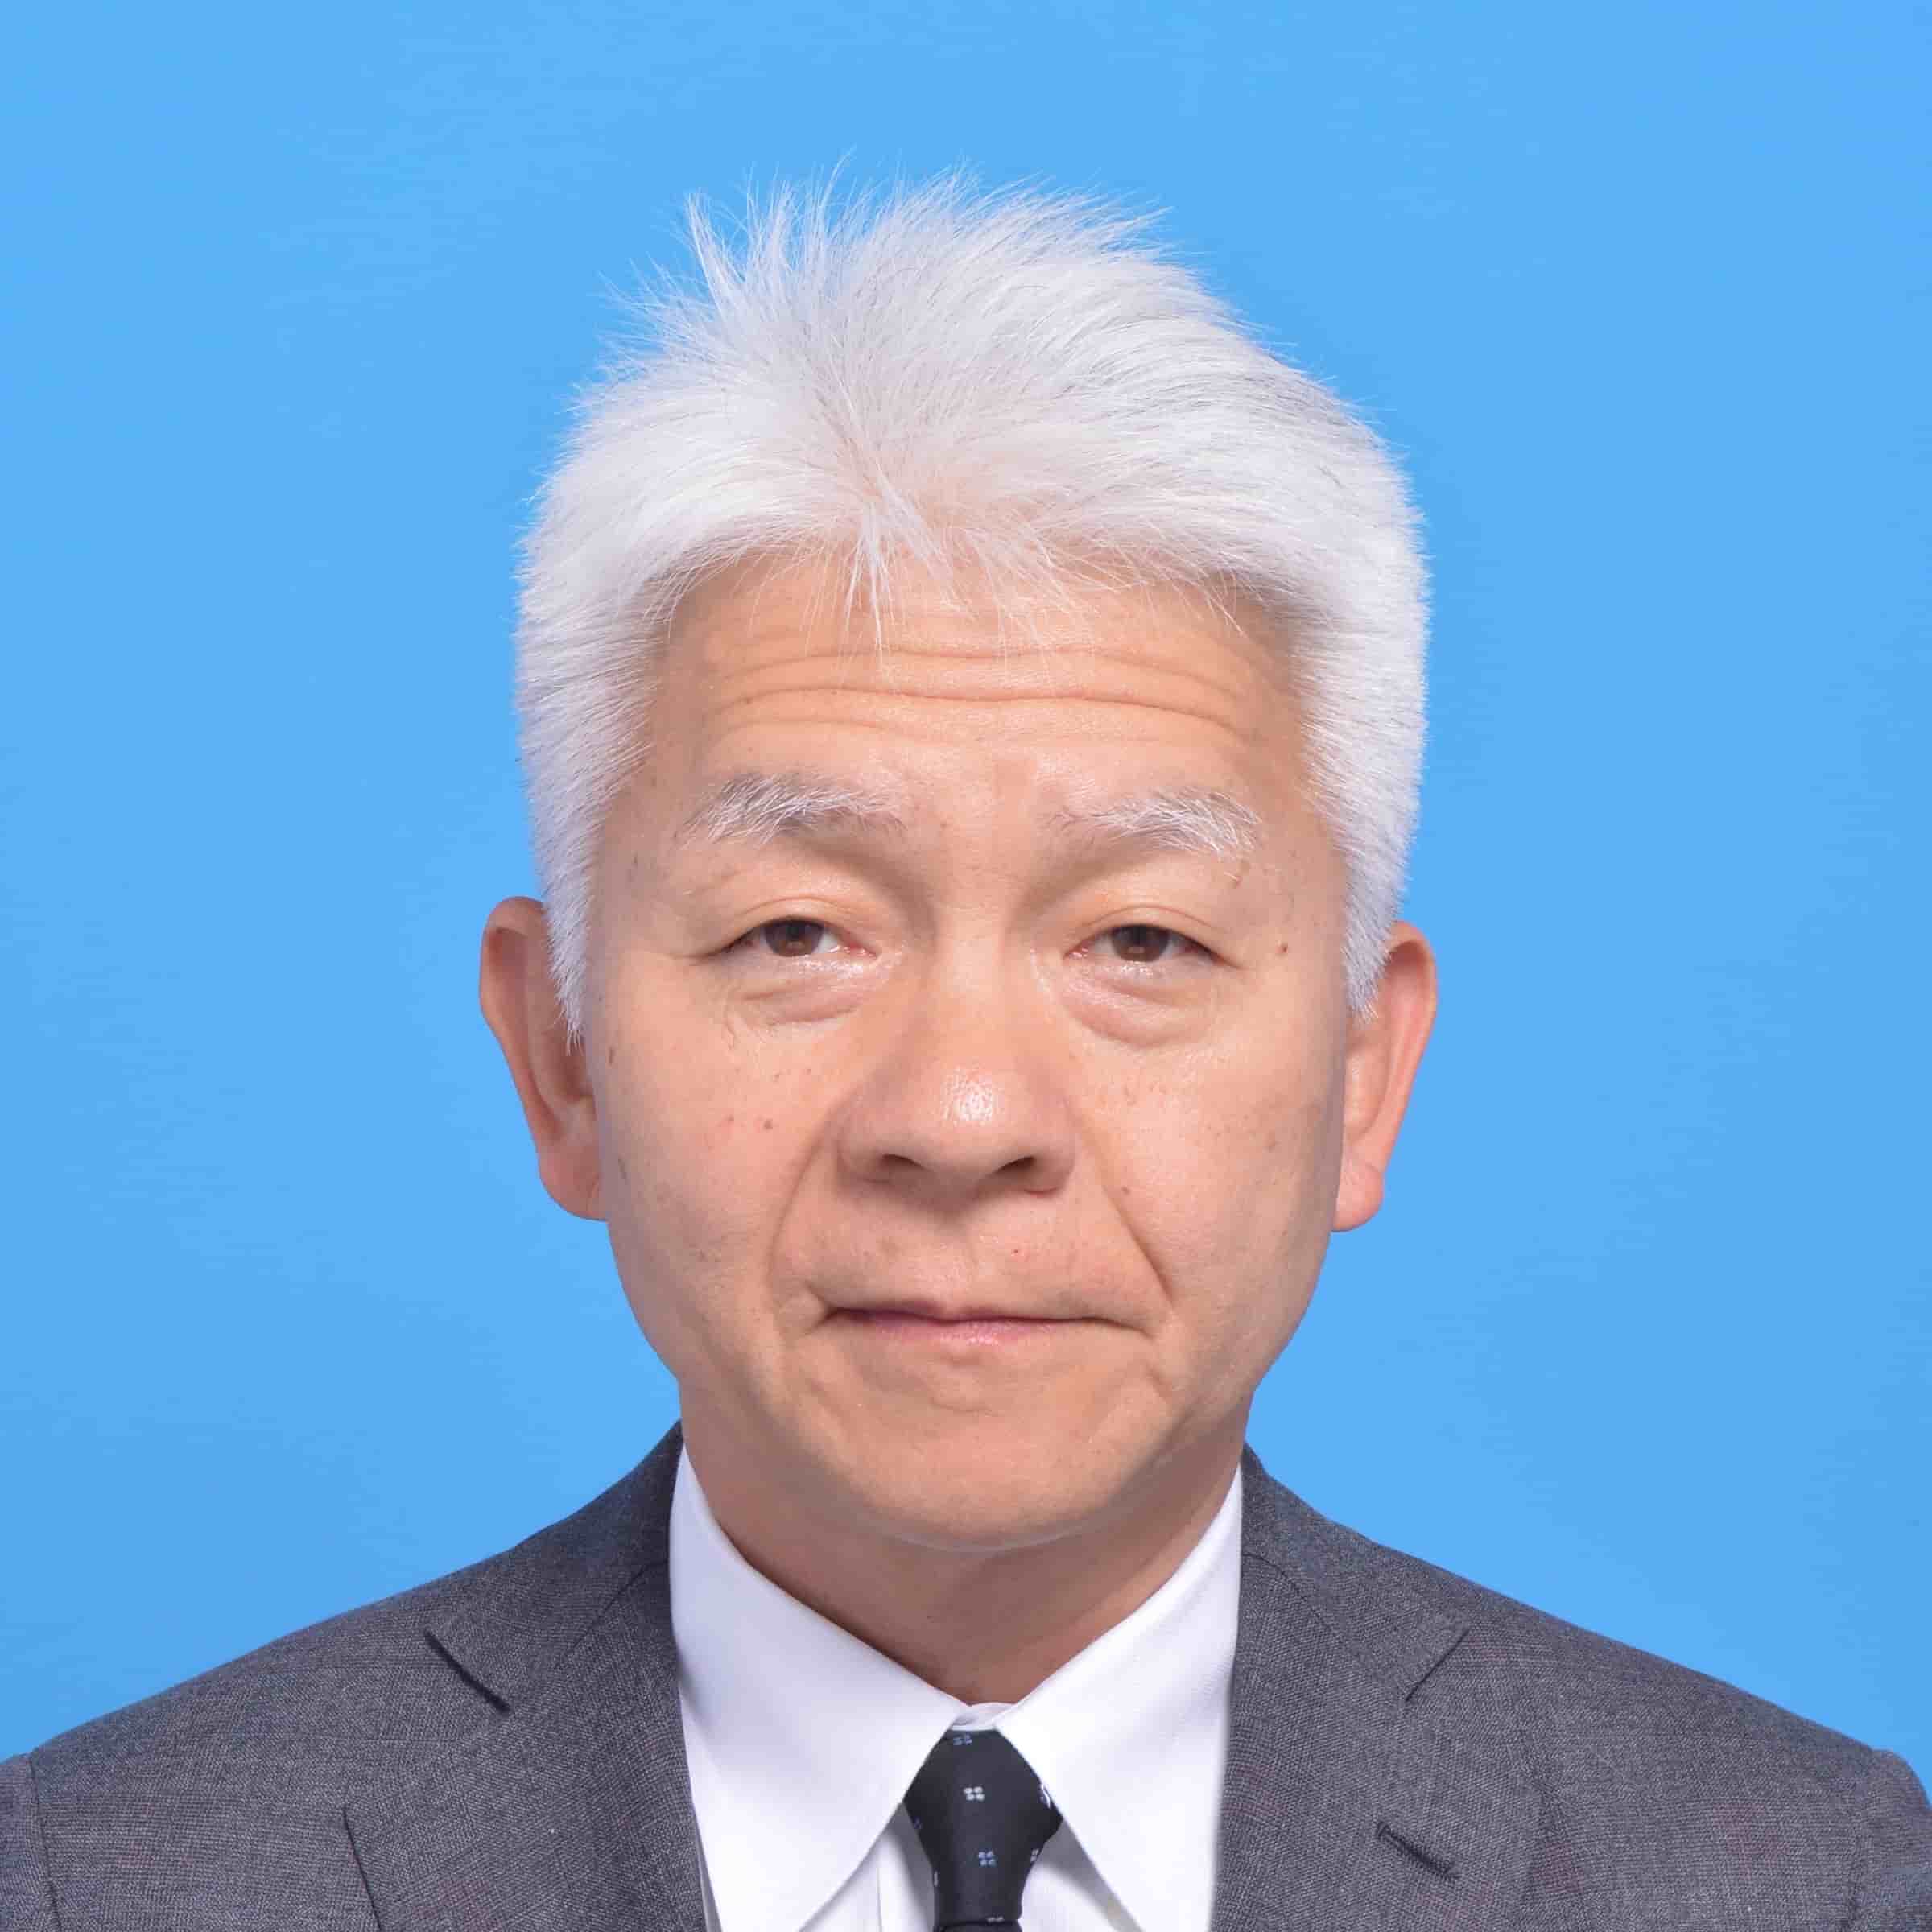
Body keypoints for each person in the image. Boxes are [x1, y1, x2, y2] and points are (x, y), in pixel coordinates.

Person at [5, 172, 1927, 1932]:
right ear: (560, 1054)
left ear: (1363, 1070)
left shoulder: (1796, 1881)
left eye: (1142, 940)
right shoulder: (100, 1886)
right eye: (797, 933)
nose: (964, 1116)